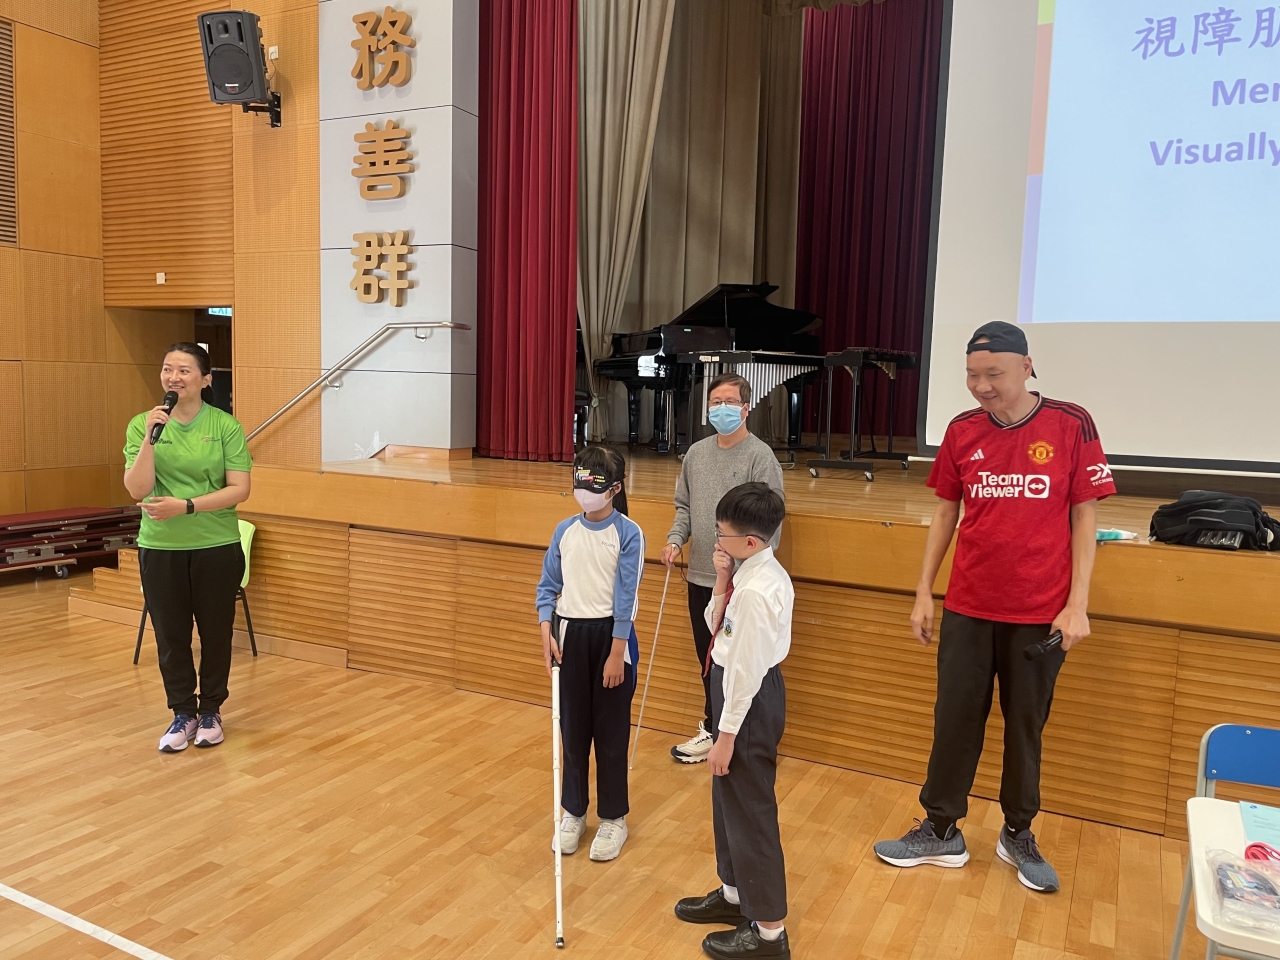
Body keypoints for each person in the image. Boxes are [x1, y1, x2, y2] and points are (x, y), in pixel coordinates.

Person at [873, 321, 1116, 893]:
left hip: (1039, 612)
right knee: (954, 720)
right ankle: (940, 829)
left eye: (993, 374)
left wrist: (1077, 604)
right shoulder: (962, 430)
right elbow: (945, 512)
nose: (981, 386)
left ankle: (1018, 832)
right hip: (969, 605)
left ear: (1026, 367)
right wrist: (924, 590)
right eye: (972, 375)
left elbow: (1085, 514)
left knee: (1025, 727)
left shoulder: (1070, 423)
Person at [675, 482, 793, 960]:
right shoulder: (747, 574)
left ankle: (769, 933)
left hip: (747, 701)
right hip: (734, 692)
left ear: (750, 541)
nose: (715, 541)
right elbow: (715, 626)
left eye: (721, 534)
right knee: (728, 803)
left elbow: (745, 673)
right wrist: (722, 577)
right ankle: (734, 894)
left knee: (751, 811)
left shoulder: (760, 592)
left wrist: (724, 738)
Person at [123, 342, 253, 753]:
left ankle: (211, 710)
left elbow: (239, 489)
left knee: (215, 633)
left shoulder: (224, 426)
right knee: (171, 635)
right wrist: (150, 439)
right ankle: (183, 712)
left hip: (216, 544)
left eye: (184, 370)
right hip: (160, 546)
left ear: (205, 379)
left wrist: (186, 506)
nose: (173, 377)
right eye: (168, 369)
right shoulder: (143, 424)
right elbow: (137, 489)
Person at [663, 373, 785, 765]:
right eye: (715, 402)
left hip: (739, 582)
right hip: (702, 574)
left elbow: (770, 520)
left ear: (746, 408)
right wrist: (676, 539)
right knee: (710, 659)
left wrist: (742, 570)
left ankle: (738, 735)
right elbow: (684, 506)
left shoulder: (759, 456)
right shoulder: (696, 454)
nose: (721, 409)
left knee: (739, 661)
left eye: (730, 402)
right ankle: (713, 728)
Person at [536, 445, 644, 862]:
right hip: (571, 637)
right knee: (573, 731)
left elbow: (626, 597)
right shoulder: (564, 531)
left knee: (611, 735)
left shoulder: (628, 533)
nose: (585, 490)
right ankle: (574, 812)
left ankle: (614, 818)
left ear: (614, 489)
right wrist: (546, 632)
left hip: (612, 639)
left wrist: (616, 653)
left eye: (595, 484)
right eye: (579, 480)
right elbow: (548, 587)